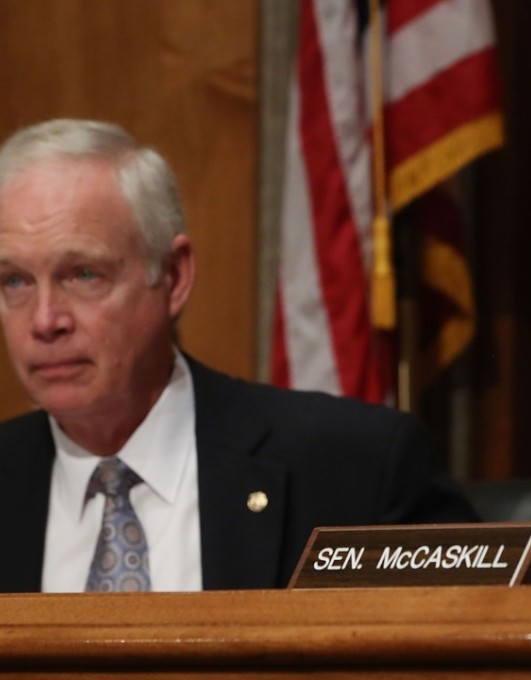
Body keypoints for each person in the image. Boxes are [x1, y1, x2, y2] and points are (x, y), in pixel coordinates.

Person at [0, 118, 476, 593]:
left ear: (174, 276)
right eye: (14, 281)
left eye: (83, 274)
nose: (44, 320)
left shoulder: (356, 470)